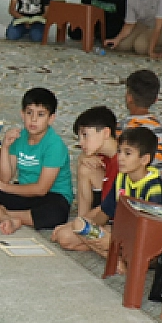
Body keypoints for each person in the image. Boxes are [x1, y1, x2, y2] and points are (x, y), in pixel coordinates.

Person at [0, 86, 73, 233]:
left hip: (51, 196)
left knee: (55, 214)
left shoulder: (55, 145)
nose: (33, 119)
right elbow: (5, 177)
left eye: (40, 114)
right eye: (29, 113)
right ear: (22, 114)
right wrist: (6, 147)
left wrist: (6, 188)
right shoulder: (19, 138)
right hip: (22, 193)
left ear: (51, 118)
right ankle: (5, 218)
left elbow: (41, 189)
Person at [52, 125, 162, 256]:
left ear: (144, 159)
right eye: (119, 151)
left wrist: (113, 239)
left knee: (130, 250)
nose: (120, 157)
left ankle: (112, 255)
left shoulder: (153, 187)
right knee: (68, 234)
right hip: (124, 233)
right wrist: (86, 227)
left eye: (127, 153)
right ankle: (112, 252)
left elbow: (151, 231)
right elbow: (105, 212)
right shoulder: (121, 178)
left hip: (153, 243)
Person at [47, 106, 118, 252]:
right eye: (79, 137)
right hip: (108, 214)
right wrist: (82, 158)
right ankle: (83, 225)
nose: (81, 142)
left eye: (85, 135)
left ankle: (113, 253)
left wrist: (74, 225)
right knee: (85, 167)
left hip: (118, 222)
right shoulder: (104, 155)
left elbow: (107, 207)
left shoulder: (122, 162)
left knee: (65, 237)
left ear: (105, 132)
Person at [122, 69, 162, 175]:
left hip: (129, 187)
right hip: (159, 187)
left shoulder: (122, 128)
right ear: (156, 99)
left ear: (129, 97)